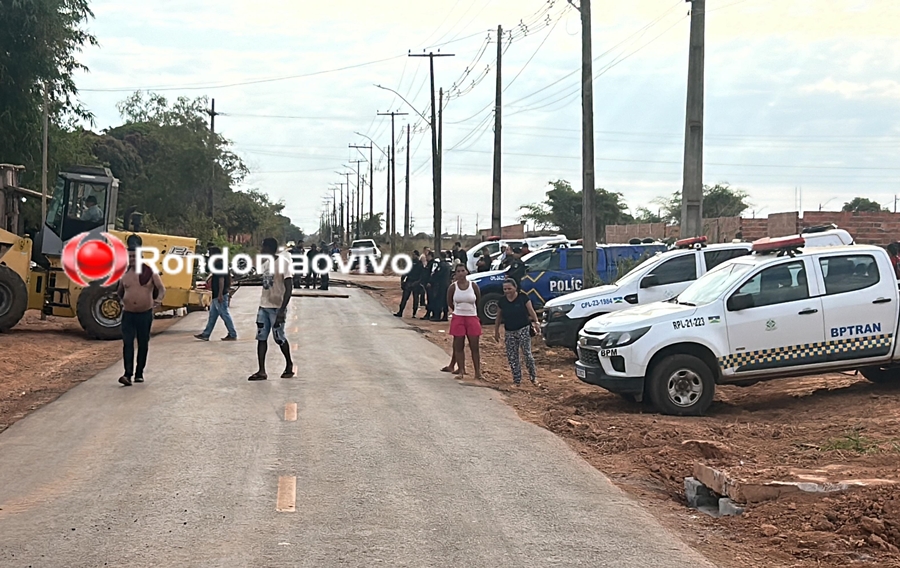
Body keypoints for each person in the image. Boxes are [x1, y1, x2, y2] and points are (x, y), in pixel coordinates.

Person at [116, 247, 166, 386]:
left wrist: (159, 299)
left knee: (143, 343)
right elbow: (119, 291)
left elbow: (161, 288)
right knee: (127, 343)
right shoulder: (125, 275)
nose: (131, 259)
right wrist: (121, 301)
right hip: (128, 314)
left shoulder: (149, 273)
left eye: (134, 256)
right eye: (129, 257)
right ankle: (127, 374)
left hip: (144, 314)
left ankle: (139, 373)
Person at [248, 237, 295, 381]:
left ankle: (289, 364)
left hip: (277, 308)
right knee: (261, 338)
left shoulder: (283, 264)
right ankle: (261, 370)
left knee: (279, 338)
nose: (261, 251)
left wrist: (282, 310)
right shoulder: (267, 264)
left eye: (263, 248)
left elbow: (289, 287)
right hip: (264, 306)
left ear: (269, 248)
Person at [494, 278, 540, 386]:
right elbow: (498, 317)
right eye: (505, 289)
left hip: (523, 328)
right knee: (512, 356)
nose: (507, 291)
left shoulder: (523, 298)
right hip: (509, 330)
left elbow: (531, 311)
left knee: (527, 354)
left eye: (509, 288)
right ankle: (517, 380)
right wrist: (496, 331)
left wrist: (536, 323)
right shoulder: (502, 301)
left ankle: (533, 378)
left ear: (515, 288)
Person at [447, 263, 482, 379]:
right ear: (455, 274)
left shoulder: (473, 286)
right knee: (459, 344)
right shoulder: (453, 287)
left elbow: (478, 300)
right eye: (458, 271)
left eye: (463, 271)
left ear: (467, 272)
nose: (461, 273)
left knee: (474, 346)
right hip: (458, 316)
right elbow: (450, 301)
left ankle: (478, 373)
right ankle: (461, 370)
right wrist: (457, 310)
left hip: (472, 316)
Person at [194, 247, 237, 341]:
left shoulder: (219, 264)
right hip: (216, 294)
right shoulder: (220, 263)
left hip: (219, 294)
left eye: (210, 253)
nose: (209, 255)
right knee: (212, 316)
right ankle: (206, 334)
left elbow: (221, 279)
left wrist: (220, 294)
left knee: (224, 314)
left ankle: (232, 334)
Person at [396, 250, 425, 318]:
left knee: (414, 299)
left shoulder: (417, 264)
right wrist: (402, 280)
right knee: (407, 298)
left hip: (413, 282)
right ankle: (402, 312)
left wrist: (403, 280)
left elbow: (421, 275)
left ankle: (412, 313)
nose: (413, 256)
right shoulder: (415, 263)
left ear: (417, 255)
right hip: (412, 281)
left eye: (414, 255)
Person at [430, 252, 452, 322]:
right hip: (447, 284)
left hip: (440, 284)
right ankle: (445, 315)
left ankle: (437, 316)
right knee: (445, 300)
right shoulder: (448, 265)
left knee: (439, 300)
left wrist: (432, 279)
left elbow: (438, 274)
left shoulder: (441, 265)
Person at [422, 251, 438, 320]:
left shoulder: (433, 264)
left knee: (432, 299)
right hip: (427, 284)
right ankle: (428, 313)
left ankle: (431, 313)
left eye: (427, 256)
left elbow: (432, 274)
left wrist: (430, 282)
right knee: (429, 299)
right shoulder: (428, 264)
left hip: (432, 285)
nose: (426, 258)